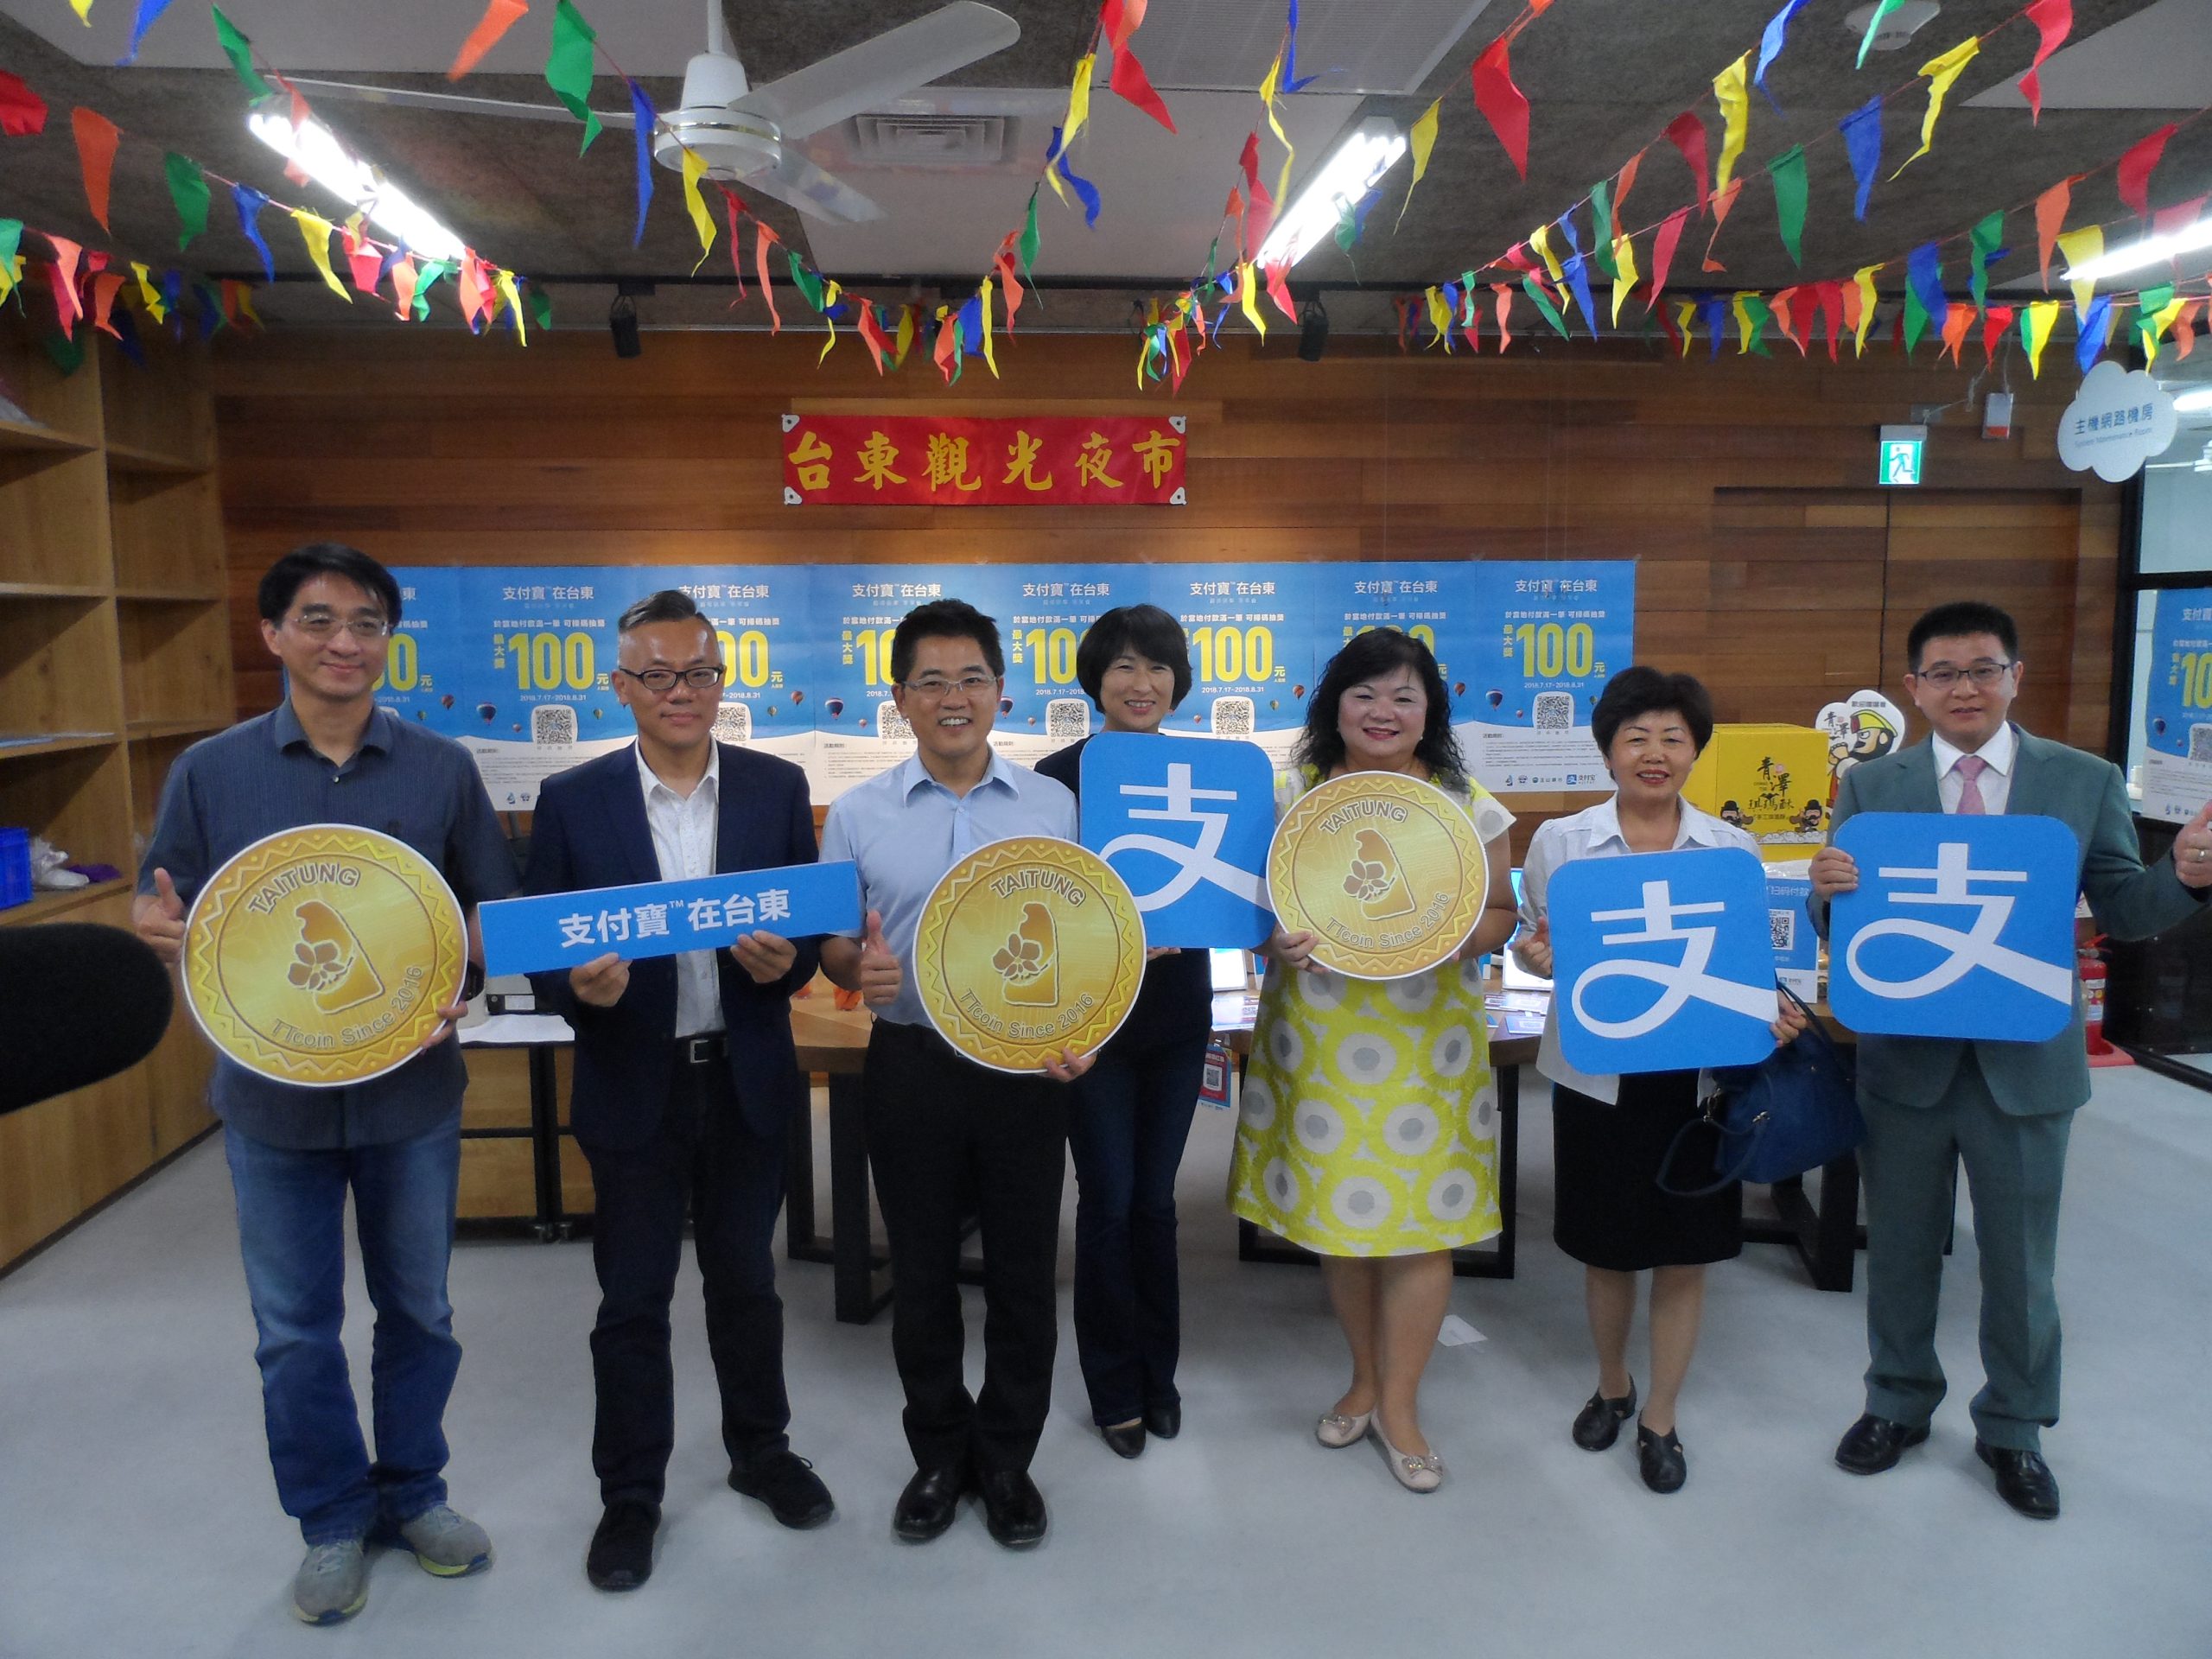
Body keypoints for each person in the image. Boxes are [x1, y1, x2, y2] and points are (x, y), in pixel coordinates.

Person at [132, 544, 516, 1625]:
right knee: (294, 1328)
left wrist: (473, 975)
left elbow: (488, 909)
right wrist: (153, 924)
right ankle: (333, 1520)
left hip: (411, 1093)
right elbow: (166, 899)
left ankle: (416, 1493)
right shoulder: (211, 771)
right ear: (273, 634)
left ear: (389, 639)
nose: (344, 641)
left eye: (366, 622)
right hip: (271, 1103)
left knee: (421, 1309)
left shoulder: (441, 767)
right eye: (318, 619)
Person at [1812, 601, 2212, 1520]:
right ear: (1913, 688)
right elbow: (1851, 922)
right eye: (1943, 673)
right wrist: (1824, 892)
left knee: (2022, 1264)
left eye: (1983, 669)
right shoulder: (1872, 785)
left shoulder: (2082, 779)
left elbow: (2124, 909)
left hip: (2025, 1065)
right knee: (1900, 1251)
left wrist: (2187, 877)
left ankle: (2015, 1426)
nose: (1965, 688)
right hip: (1906, 1065)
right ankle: (1896, 1401)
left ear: (2015, 677)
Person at [521, 590, 831, 1592]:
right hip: (632, 1085)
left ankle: (761, 1451)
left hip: (744, 1081)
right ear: (622, 687)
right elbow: (546, 957)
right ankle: (630, 1496)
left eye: (697, 672)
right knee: (632, 1300)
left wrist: (784, 965)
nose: (679, 692)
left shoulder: (775, 789)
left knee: (747, 1283)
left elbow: (800, 942)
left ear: (720, 681)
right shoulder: (573, 802)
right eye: (656, 675)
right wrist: (579, 991)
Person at [817, 599, 1094, 1549]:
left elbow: (1086, 938)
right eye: (930, 681)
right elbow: (835, 944)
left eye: (971, 678)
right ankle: (938, 1452)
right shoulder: (858, 814)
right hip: (912, 1063)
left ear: (1000, 692)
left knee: (1024, 1270)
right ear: (899, 699)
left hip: (1025, 1070)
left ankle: (1008, 1457)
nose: (953, 698)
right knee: (923, 1268)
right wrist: (855, 966)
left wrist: (1084, 1029)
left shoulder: (1053, 807)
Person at [1227, 628, 1520, 1491]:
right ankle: (1362, 1377)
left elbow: (1502, 915)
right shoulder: (1291, 796)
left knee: (1423, 1222)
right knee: (1343, 1218)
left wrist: (1456, 936)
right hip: (1320, 1038)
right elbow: (1246, 909)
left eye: (1403, 696)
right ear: (1334, 707)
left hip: (1428, 1041)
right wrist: (1269, 941)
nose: (1382, 711)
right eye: (1364, 693)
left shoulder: (1466, 805)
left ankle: (1400, 1404)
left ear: (1430, 712)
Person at [1512, 666, 1804, 1494]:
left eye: (1673, 737)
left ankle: (1662, 1417)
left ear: (1695, 751)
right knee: (1607, 1250)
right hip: (1597, 1078)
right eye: (1636, 736)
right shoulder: (1561, 843)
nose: (1655, 752)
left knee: (1684, 1254)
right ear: (1607, 750)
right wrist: (1534, 957)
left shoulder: (1731, 851)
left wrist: (1775, 1011)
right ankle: (1612, 1385)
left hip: (1699, 1082)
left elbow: (1748, 966)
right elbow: (1539, 945)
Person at [1035, 605, 1212, 1460]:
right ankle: (1114, 1388)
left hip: (1176, 1015)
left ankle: (1158, 1375)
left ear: (1178, 682)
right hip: (1090, 1019)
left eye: (1158, 667)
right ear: (1095, 681)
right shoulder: (1054, 779)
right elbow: (1039, 900)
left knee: (1155, 1202)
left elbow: (1235, 885)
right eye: (1124, 668)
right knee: (1107, 1199)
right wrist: (1110, 934)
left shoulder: (1206, 771)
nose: (1142, 684)